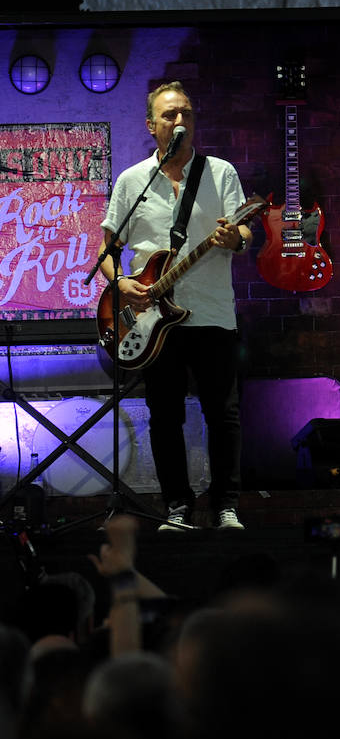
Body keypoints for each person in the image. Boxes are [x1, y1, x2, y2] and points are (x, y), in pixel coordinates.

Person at [100, 81, 254, 531]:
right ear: (152, 126)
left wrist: (236, 237)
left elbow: (244, 232)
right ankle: (177, 507)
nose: (180, 121)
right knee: (164, 416)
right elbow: (107, 249)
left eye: (186, 112)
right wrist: (122, 283)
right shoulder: (133, 180)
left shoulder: (220, 173)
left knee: (222, 414)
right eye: (169, 115)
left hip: (210, 313)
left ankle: (226, 506)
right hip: (150, 321)